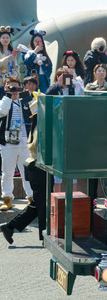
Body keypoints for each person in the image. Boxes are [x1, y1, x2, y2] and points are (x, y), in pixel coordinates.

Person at [0, 107, 46, 244]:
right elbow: (37, 146)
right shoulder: (40, 128)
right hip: (38, 169)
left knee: (38, 204)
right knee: (42, 205)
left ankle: (10, 227)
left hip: (37, 168)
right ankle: (44, 236)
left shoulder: (37, 126)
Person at [0, 77, 34, 210]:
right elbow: (2, 112)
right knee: (7, 172)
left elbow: (35, 112)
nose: (14, 90)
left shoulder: (24, 101)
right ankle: (7, 198)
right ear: (5, 88)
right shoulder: (4, 101)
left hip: (25, 143)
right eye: (10, 87)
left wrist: (27, 97)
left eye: (16, 87)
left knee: (27, 173)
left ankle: (31, 197)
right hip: (8, 143)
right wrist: (8, 96)